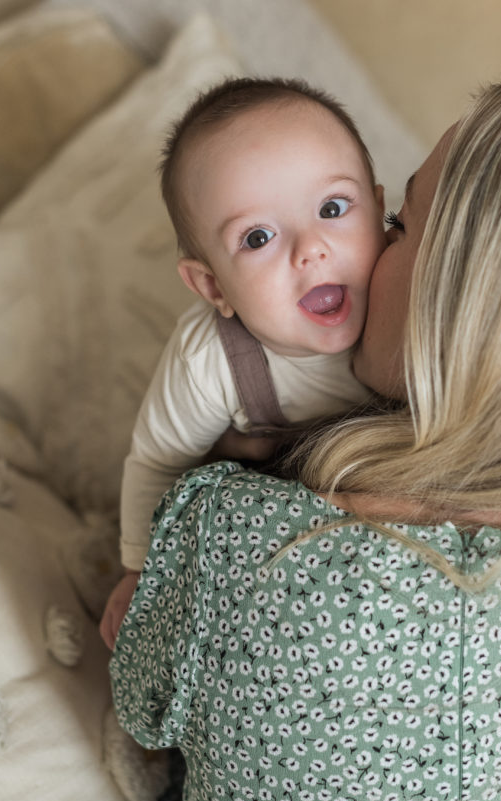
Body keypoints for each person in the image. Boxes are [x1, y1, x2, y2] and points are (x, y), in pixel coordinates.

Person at [109, 82, 501, 801]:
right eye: (259, 238)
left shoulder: (230, 536)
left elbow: (140, 697)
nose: (326, 255)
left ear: (465, 301)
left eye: (393, 224)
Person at [99, 77, 386, 650]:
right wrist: (137, 570)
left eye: (333, 208)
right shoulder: (214, 360)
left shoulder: (411, 304)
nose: (311, 248)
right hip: (272, 553)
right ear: (212, 285)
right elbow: (158, 461)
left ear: (381, 212)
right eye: (257, 237)